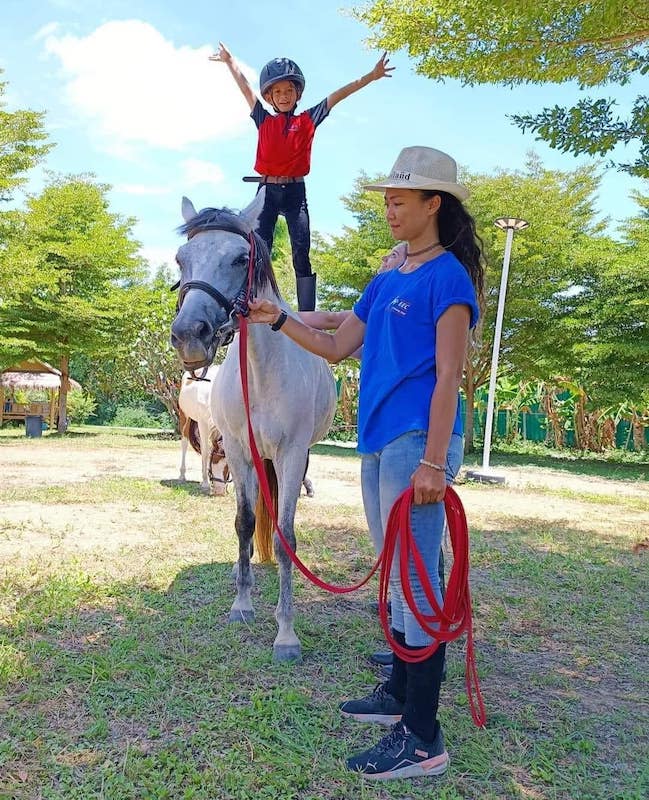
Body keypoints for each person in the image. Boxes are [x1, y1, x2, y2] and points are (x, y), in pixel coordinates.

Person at [247, 145, 484, 781]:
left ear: (435, 205)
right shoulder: (388, 279)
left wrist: (435, 462)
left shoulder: (448, 281)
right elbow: (335, 342)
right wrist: (277, 320)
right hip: (378, 440)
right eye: (387, 199)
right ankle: (401, 697)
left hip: (416, 442)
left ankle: (424, 739)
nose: (390, 209)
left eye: (400, 200)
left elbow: (447, 379)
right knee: (397, 572)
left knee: (416, 583)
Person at [210, 42, 394, 311]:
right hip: (267, 191)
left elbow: (339, 94)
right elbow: (245, 89)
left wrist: (371, 76)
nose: (283, 96)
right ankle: (251, 299)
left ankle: (307, 312)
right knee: (260, 245)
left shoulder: (308, 119)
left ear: (297, 94)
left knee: (301, 248)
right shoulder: (264, 119)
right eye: (277, 92)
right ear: (270, 97)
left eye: (289, 91)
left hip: (296, 192)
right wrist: (229, 62)